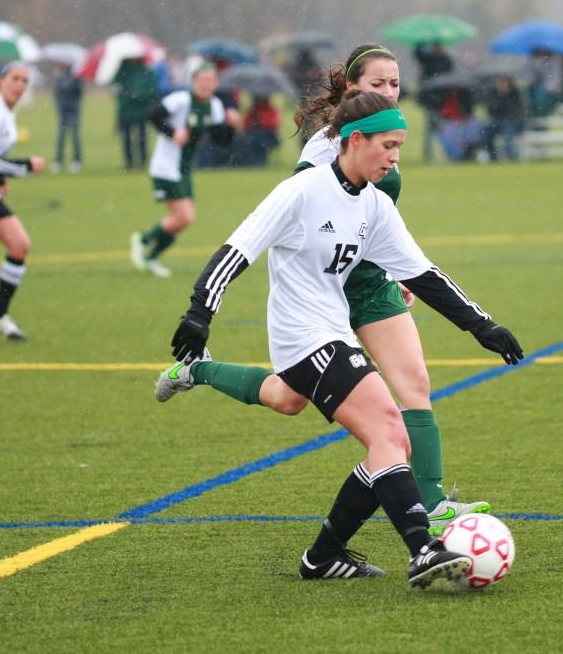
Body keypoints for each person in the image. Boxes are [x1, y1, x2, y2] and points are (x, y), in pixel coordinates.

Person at [159, 90, 524, 584]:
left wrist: (482, 325)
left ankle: (324, 555)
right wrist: (200, 311)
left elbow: (423, 274)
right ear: (355, 141)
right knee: (390, 431)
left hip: (331, 332)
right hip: (301, 336)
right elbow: (238, 248)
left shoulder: (373, 205)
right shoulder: (303, 191)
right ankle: (423, 548)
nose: (395, 158)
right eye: (388, 146)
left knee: (316, 413)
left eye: (400, 147)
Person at [129, 64, 240, 278]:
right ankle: (142, 241)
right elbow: (152, 115)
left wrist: (232, 125)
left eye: (210, 81)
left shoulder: (215, 105)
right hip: (165, 166)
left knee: (183, 220)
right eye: (201, 80)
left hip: (184, 169)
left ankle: (150, 258)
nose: (205, 85)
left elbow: (220, 139)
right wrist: (173, 132)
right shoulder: (180, 100)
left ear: (216, 84)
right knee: (184, 217)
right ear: (193, 82)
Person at [0, 63, 44, 340]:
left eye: (25, 81)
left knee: (19, 245)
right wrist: (25, 166)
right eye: (14, 78)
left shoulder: (8, 112)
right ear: (1, 81)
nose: (19, 85)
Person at [114, 58, 158, 170]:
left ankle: (142, 160)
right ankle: (129, 161)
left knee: (142, 137)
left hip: (141, 110)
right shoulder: (122, 71)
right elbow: (117, 88)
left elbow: (152, 89)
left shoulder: (145, 72)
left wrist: (140, 96)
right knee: (127, 137)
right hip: (127, 110)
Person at [413, 42, 454, 162]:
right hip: (435, 100)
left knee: (436, 127)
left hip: (439, 100)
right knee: (435, 126)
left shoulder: (438, 59)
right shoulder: (435, 59)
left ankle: (436, 153)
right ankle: (436, 153)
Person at [483, 75, 525, 160]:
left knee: (508, 136)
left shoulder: (514, 94)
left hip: (511, 122)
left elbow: (515, 110)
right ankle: (492, 156)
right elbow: (491, 109)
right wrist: (501, 97)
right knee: (485, 132)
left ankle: (511, 156)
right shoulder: (493, 94)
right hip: (497, 121)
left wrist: (506, 95)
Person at [51, 65, 83, 174]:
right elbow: (57, 94)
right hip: (63, 111)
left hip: (73, 111)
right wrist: (59, 106)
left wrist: (75, 81)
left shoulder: (77, 78)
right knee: (61, 137)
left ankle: (77, 160)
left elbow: (80, 93)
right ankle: (58, 161)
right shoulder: (60, 78)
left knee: (75, 137)